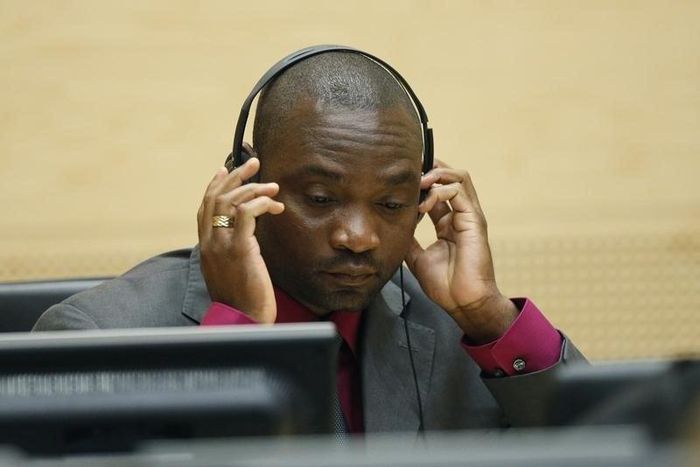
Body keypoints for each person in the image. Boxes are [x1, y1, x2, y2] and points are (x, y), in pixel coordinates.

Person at [34, 49, 585, 433]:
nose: (359, 237)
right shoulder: (96, 339)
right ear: (245, 185)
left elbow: (609, 446)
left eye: (392, 205)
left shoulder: (461, 333)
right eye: (321, 199)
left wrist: (488, 316)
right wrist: (235, 332)